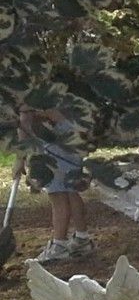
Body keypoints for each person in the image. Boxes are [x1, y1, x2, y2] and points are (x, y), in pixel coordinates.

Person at [19, 108, 94, 264]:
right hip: (73, 127)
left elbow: (25, 120)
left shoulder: (19, 96)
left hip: (55, 135)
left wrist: (20, 159)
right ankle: (82, 239)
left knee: (57, 194)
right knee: (70, 189)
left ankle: (59, 245)